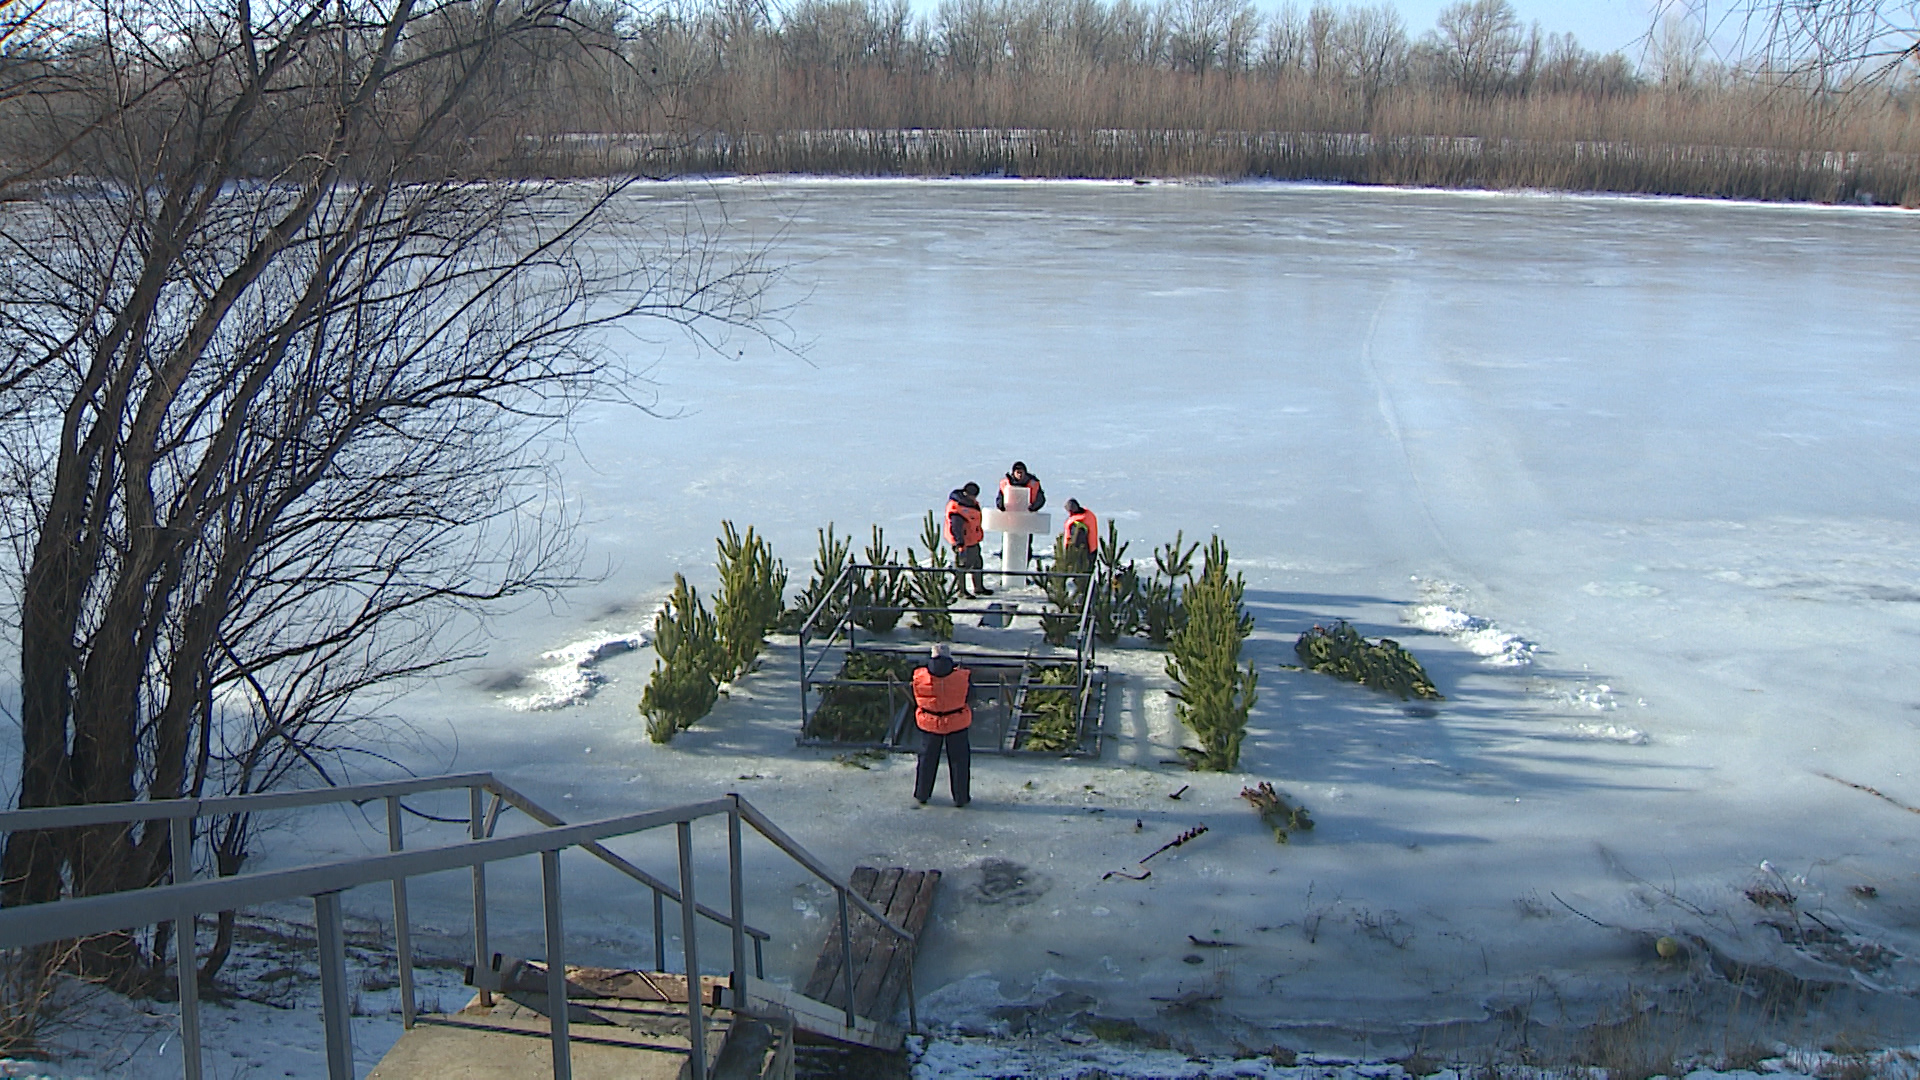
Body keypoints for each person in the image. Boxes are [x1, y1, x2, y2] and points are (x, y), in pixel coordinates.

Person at [912, 643, 971, 807]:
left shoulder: (919, 676)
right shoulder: (962, 676)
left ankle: (922, 793)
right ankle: (961, 797)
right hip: (956, 720)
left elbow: (916, 695)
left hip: (930, 722)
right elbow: (970, 694)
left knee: (926, 759)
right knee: (959, 760)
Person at [945, 481, 991, 597]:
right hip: (964, 543)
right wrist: (960, 543)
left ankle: (979, 588)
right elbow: (956, 527)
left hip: (973, 540)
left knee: (977, 564)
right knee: (963, 566)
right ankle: (962, 591)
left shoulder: (972, 504)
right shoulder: (958, 508)